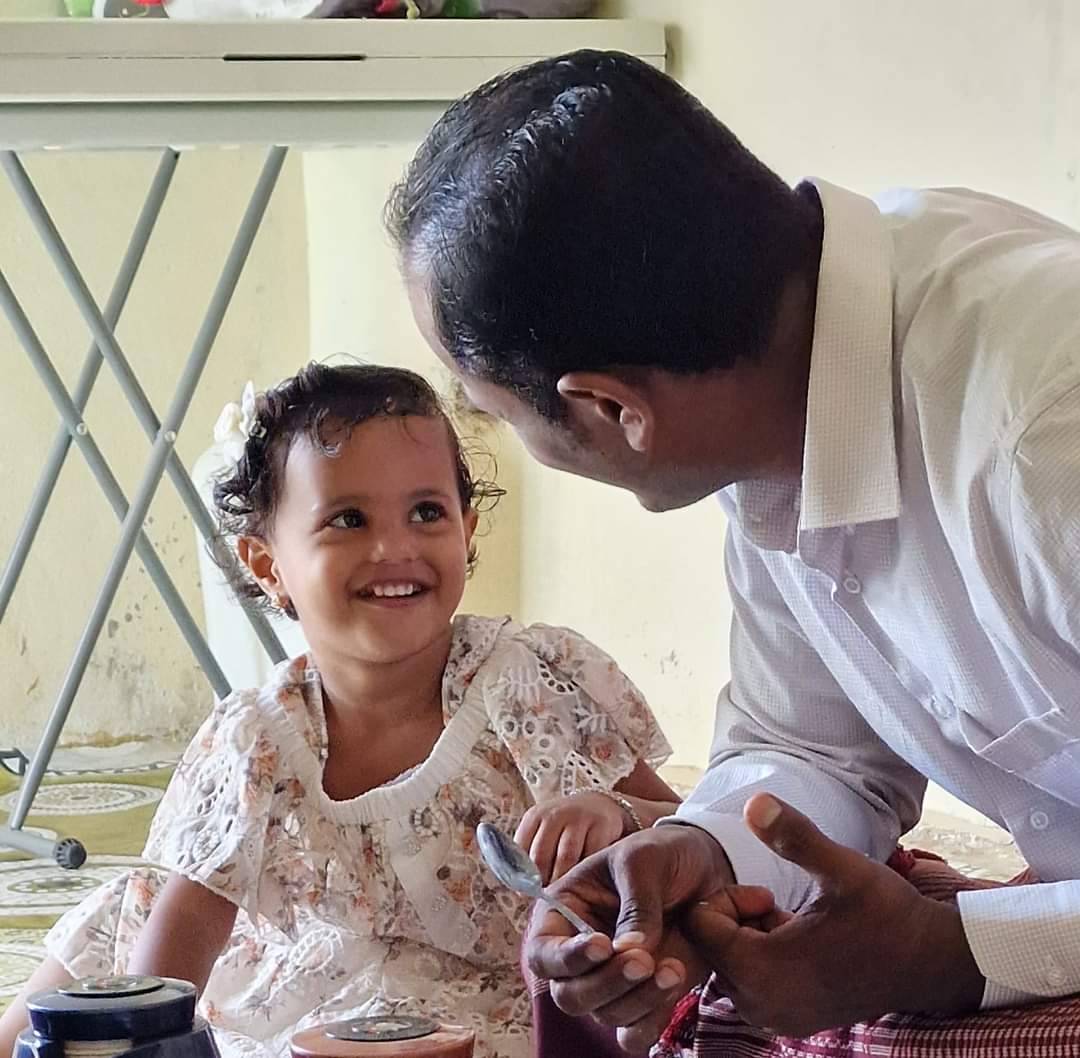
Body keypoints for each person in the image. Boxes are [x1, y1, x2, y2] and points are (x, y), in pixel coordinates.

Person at [385, 46, 1080, 1057]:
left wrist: (953, 950)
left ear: (613, 410)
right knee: (720, 1013)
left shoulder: (1040, 436)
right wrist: (694, 850)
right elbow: (817, 747)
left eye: (493, 414)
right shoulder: (777, 377)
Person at [0, 362, 680, 1058]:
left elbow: (691, 829)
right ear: (268, 567)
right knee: (125, 922)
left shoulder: (527, 681)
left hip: (498, 995)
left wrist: (618, 815)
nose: (394, 548)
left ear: (467, 531)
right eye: (348, 520)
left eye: (427, 512)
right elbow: (176, 953)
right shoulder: (258, 738)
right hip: (300, 985)